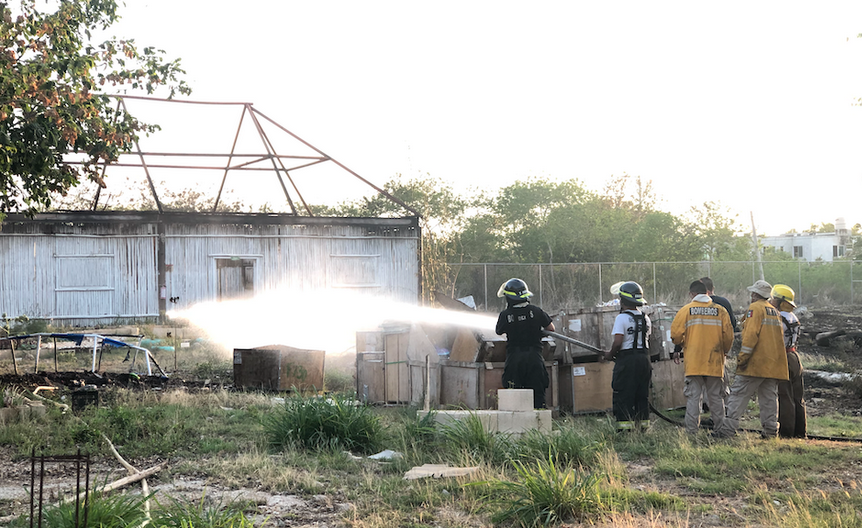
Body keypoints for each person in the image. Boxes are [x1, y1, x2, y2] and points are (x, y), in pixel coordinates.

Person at [714, 280, 789, 438]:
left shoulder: (755, 309)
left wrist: (743, 359)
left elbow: (750, 337)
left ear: (755, 294)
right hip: (773, 364)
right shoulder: (774, 311)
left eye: (752, 293)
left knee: (738, 395)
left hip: (755, 364)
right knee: (769, 398)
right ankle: (770, 431)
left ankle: (727, 430)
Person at [670, 280, 734, 434]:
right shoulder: (720, 311)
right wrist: (724, 351)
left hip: (694, 362)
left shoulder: (686, 310)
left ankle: (691, 431)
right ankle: (720, 429)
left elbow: (676, 335)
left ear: (692, 294)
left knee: (693, 397)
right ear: (707, 292)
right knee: (716, 397)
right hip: (714, 361)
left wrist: (683, 344)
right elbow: (729, 337)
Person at [495, 278, 554, 409]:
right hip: (534, 358)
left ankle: (516, 424)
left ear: (509, 298)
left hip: (514, 359)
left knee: (513, 393)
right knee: (537, 393)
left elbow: (499, 331)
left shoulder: (505, 315)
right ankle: (540, 424)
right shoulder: (536, 311)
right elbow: (551, 328)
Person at [601, 281, 652, 431]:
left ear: (622, 300)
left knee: (624, 394)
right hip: (644, 360)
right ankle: (643, 428)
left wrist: (609, 355)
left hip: (627, 361)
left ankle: (625, 429)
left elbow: (618, 343)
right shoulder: (646, 318)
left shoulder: (621, 318)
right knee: (642, 394)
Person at [771, 284, 806, 438]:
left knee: (785, 395)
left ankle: (786, 433)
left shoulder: (778, 318)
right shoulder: (794, 318)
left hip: (782, 357)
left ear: (781, 302)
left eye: (774, 299)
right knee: (798, 397)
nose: (772, 301)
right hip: (794, 357)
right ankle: (800, 431)